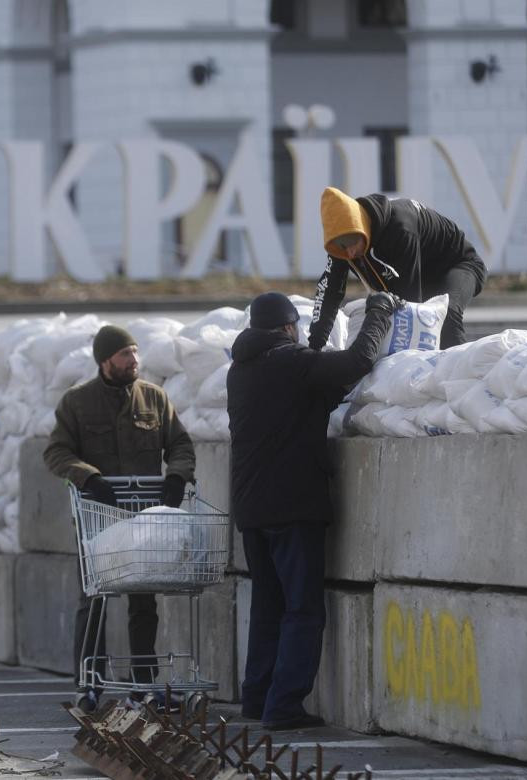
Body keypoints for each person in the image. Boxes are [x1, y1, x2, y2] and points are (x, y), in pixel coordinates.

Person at [227, 290, 401, 731]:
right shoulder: (291, 363)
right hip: (291, 505)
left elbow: (303, 401)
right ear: (287, 328)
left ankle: (257, 697)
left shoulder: (241, 371)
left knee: (268, 605)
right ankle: (284, 706)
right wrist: (379, 312)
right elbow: (359, 360)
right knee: (303, 609)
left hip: (252, 509)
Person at [43, 325, 196, 713]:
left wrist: (177, 474)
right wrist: (87, 475)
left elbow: (179, 443)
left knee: (144, 602)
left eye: (135, 352)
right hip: (98, 519)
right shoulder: (77, 403)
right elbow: (56, 452)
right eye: (125, 354)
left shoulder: (154, 399)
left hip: (142, 520)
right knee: (93, 599)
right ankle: (89, 683)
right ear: (105, 360)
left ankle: (142, 685)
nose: (134, 361)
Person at [308, 186, 487, 350]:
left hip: (459, 264)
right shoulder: (341, 246)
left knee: (445, 318)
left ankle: (463, 376)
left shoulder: (400, 228)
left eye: (352, 241)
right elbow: (328, 294)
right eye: (341, 244)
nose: (350, 250)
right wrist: (314, 347)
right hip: (421, 274)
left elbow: (411, 307)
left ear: (362, 225)